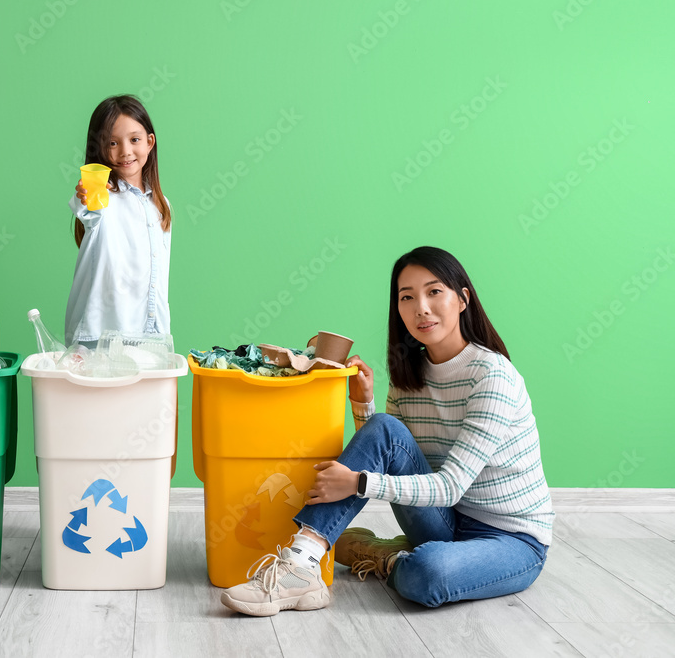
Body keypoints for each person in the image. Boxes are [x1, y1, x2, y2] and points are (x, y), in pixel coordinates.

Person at [221, 246, 554, 616]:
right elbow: (389, 454)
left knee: (428, 574)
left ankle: (385, 555)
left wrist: (358, 483)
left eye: (434, 292)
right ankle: (302, 564)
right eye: (407, 297)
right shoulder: (408, 375)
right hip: (444, 519)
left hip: (511, 539)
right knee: (384, 425)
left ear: (462, 300)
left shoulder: (492, 376)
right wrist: (363, 405)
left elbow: (450, 485)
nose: (421, 308)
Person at [64, 95, 172, 346]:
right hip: (100, 337)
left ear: (149, 142)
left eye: (134, 140)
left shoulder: (161, 205)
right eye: (112, 143)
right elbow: (87, 205)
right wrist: (85, 193)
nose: (125, 151)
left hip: (151, 337)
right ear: (99, 149)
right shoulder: (101, 196)